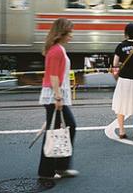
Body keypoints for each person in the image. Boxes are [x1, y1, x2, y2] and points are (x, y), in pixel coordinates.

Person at [38, 18, 79, 179]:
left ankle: (59, 167)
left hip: (54, 96)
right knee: (62, 129)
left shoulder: (56, 48)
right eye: (70, 32)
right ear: (62, 33)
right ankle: (49, 171)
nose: (72, 36)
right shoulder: (56, 50)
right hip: (53, 97)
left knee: (60, 129)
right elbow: (53, 76)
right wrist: (58, 98)